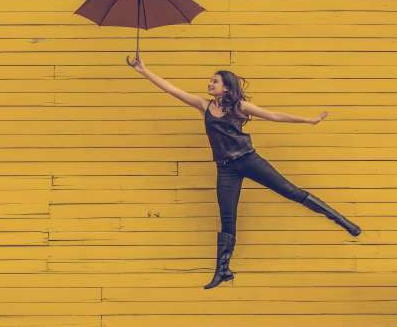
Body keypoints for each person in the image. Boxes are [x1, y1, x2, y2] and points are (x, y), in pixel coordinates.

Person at [128, 56, 361, 289]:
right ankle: (223, 270)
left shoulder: (240, 107)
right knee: (227, 217)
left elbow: (273, 115)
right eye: (210, 81)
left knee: (290, 191)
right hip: (226, 169)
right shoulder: (204, 105)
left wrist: (308, 120)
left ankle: (341, 220)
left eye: (214, 81)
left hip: (249, 160)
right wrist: (143, 70)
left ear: (226, 87)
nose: (210, 84)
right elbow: (171, 89)